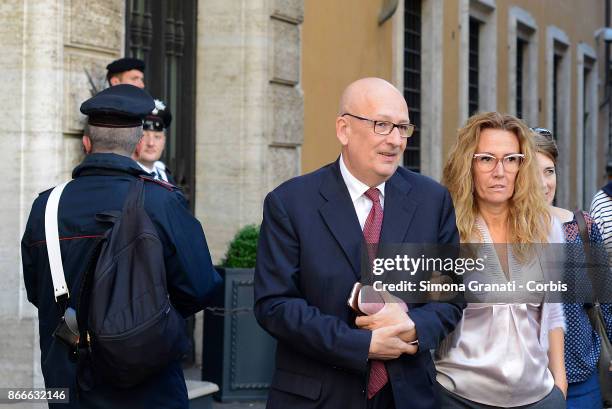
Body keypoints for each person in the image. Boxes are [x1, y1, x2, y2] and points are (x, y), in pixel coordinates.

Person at [254, 77, 464, 409]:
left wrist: (412, 327)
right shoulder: (291, 203)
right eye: (382, 125)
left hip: (408, 397)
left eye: (402, 128)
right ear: (344, 129)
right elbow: (275, 306)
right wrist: (362, 344)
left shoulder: (432, 200)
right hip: (318, 397)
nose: (395, 140)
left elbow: (451, 296)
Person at [21, 84, 221, 409]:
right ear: (140, 142)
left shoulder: (46, 206)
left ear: (88, 142)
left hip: (70, 386)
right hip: (148, 384)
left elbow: (37, 292)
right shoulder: (161, 202)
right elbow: (200, 287)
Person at [435, 112, 567, 408]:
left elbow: (554, 311)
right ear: (467, 165)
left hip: (537, 396)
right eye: (486, 159)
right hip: (459, 396)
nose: (500, 171)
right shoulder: (446, 229)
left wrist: (560, 383)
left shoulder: (547, 228)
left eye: (511, 159)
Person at [533, 127, 612, 409]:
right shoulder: (502, 233)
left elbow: (607, 298)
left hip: (581, 382)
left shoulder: (582, 227)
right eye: (533, 172)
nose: (543, 183)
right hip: (524, 384)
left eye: (549, 171)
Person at [133, 98, 176, 184]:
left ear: (164, 141)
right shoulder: (125, 177)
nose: (151, 143)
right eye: (144, 136)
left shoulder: (166, 177)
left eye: (157, 137)